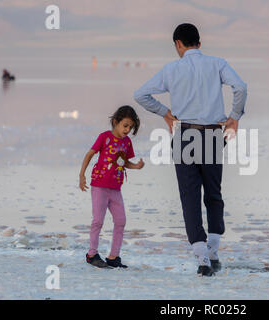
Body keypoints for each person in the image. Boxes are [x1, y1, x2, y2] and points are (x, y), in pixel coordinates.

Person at [134, 23, 247, 276]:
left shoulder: (172, 68)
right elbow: (240, 87)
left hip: (185, 134)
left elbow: (140, 94)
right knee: (213, 194)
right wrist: (234, 116)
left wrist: (165, 113)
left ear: (178, 44)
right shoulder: (217, 63)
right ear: (199, 42)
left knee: (190, 197)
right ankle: (214, 251)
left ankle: (202, 260)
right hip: (212, 134)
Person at [79, 105, 145, 268]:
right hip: (100, 187)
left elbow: (124, 162)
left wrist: (135, 166)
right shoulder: (105, 137)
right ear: (116, 122)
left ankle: (114, 256)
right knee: (98, 221)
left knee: (121, 221)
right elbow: (89, 154)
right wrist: (82, 175)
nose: (127, 130)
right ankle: (92, 254)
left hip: (115, 189)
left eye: (130, 127)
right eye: (125, 125)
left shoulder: (127, 142)